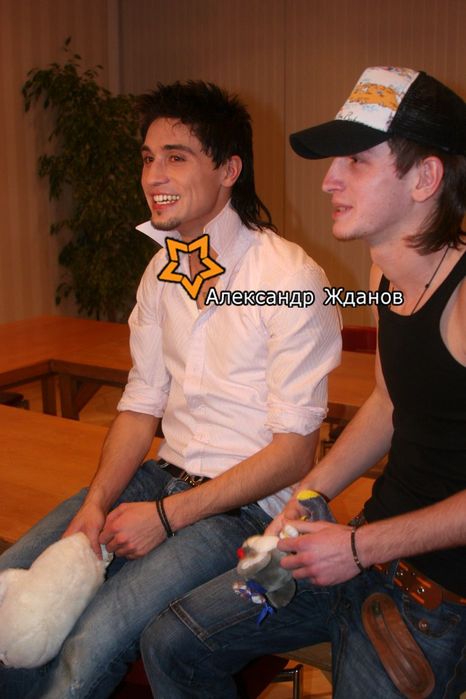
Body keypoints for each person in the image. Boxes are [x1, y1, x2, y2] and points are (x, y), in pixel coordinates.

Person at [0, 81, 341, 698]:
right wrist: (96, 503)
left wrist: (164, 517)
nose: (154, 175)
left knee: (90, 644)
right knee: (13, 586)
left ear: (229, 170)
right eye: (148, 157)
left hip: (242, 511)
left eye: (176, 157)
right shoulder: (161, 270)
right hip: (162, 477)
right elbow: (140, 406)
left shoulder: (290, 278)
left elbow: (294, 455)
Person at [141, 67, 466, 698]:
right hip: (362, 551)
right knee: (171, 642)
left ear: (425, 178)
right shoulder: (383, 273)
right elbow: (388, 404)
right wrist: (308, 495)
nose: (328, 180)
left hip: (435, 598)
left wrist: (360, 547)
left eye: (356, 161)